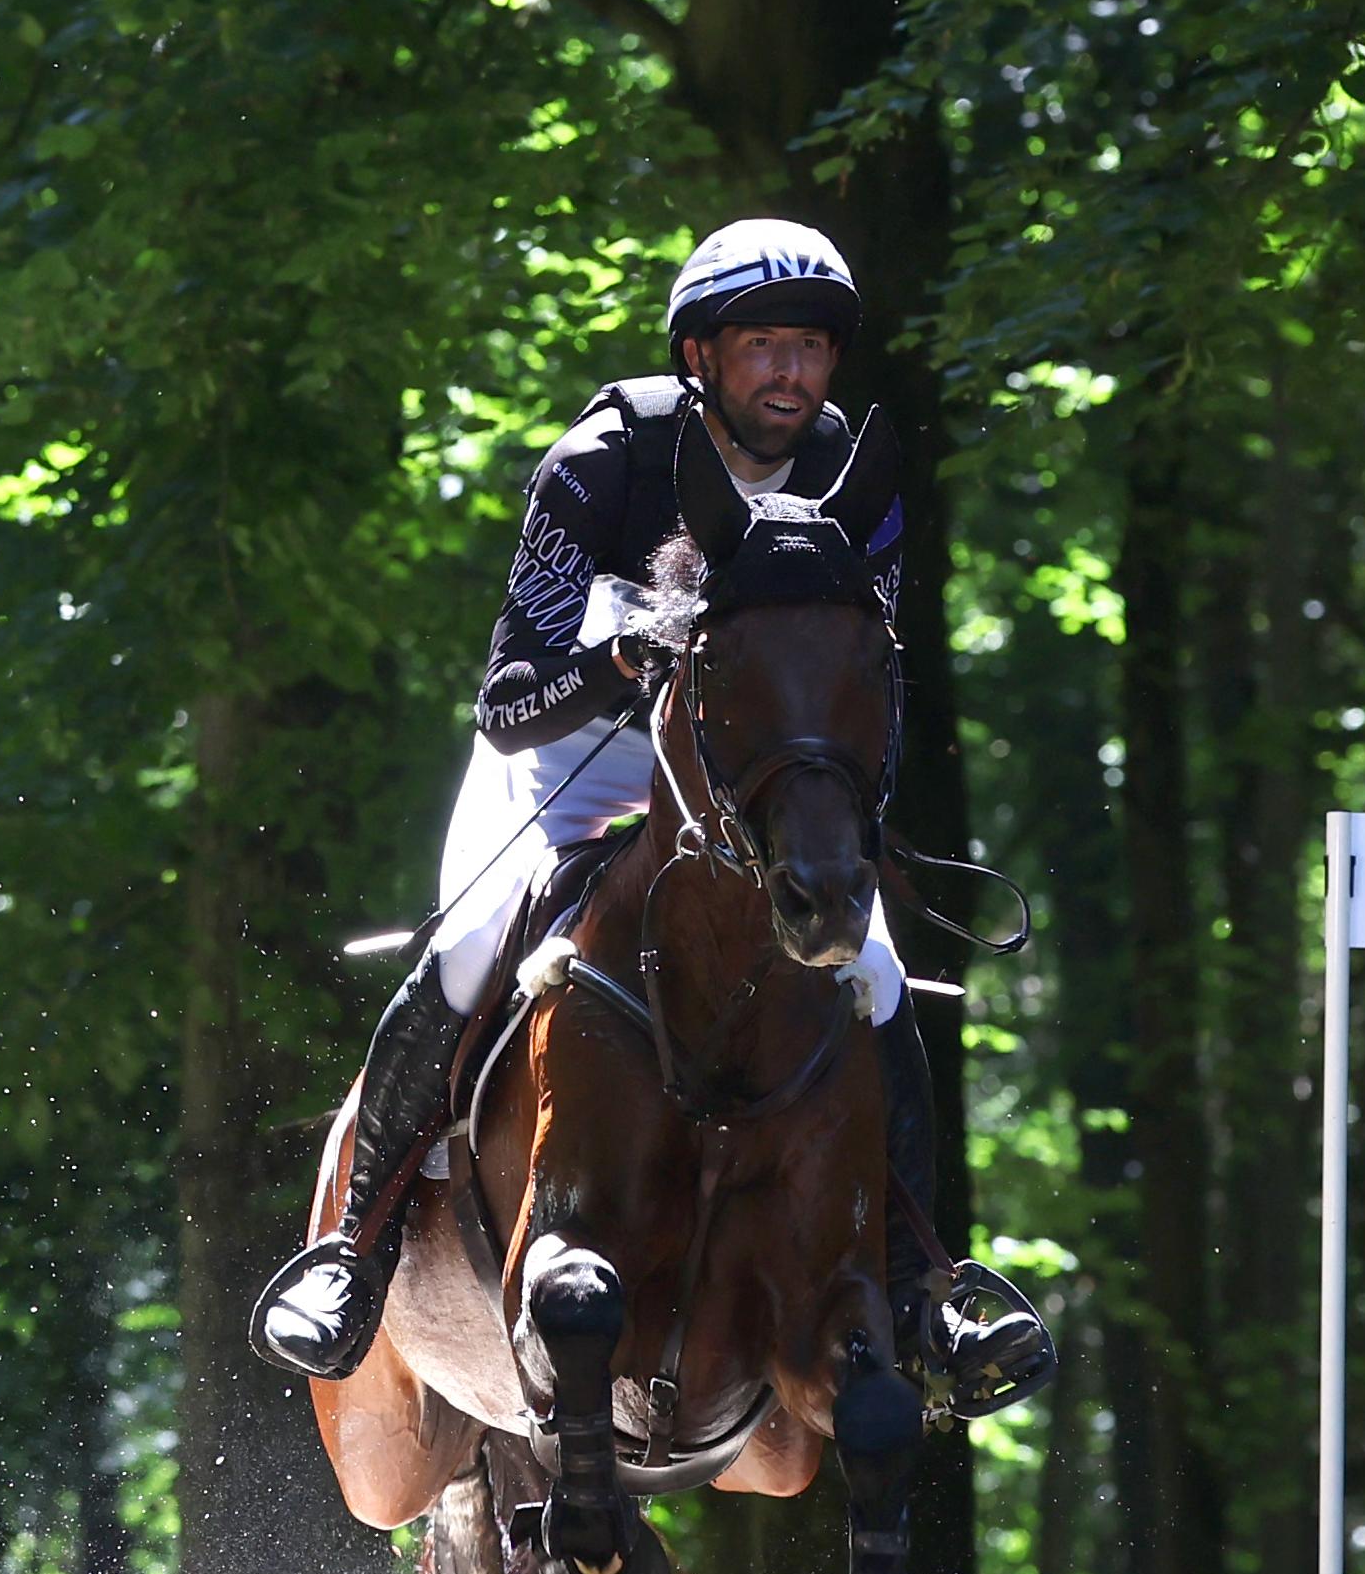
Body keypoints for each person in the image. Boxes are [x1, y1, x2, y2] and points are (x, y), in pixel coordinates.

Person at [251, 219, 1045, 1409]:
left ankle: (923, 1283)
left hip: (755, 783)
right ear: (700, 357)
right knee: (470, 951)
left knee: (874, 977)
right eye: (764, 345)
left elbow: (864, 678)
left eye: (813, 349)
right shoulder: (604, 460)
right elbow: (512, 702)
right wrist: (623, 664)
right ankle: (354, 1255)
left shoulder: (852, 476)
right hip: (574, 760)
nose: (792, 373)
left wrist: (848, 828)